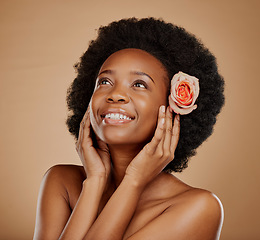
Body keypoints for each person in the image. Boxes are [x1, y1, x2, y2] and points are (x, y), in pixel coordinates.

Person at [33, 17, 225, 240]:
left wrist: (134, 181)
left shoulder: (199, 208)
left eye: (139, 84)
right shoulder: (61, 182)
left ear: (172, 108)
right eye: (104, 82)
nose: (115, 95)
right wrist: (94, 182)